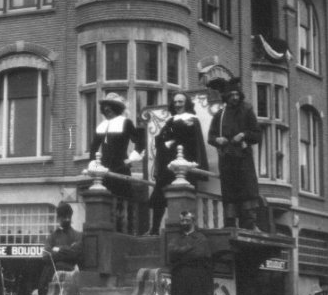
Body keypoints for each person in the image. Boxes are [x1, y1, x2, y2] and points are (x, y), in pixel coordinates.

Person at [207, 78, 262, 230]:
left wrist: (243, 135)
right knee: (229, 192)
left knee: (247, 189)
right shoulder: (220, 114)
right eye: (231, 95)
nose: (235, 97)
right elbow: (210, 137)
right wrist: (218, 139)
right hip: (227, 160)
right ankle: (230, 224)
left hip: (244, 159)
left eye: (237, 94)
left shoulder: (247, 110)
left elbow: (257, 135)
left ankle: (249, 224)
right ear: (227, 97)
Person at [150, 92, 208, 234]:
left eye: (180, 102)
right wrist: (166, 142)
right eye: (175, 102)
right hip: (168, 164)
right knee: (159, 196)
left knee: (183, 197)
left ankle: (184, 231)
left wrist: (174, 141)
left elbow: (193, 143)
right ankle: (154, 229)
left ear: (186, 103)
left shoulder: (192, 120)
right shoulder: (171, 120)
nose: (177, 105)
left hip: (184, 163)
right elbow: (161, 138)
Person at [88, 93, 141, 231]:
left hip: (120, 167)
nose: (106, 110)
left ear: (115, 108)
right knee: (107, 201)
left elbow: (140, 142)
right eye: (104, 107)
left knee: (123, 200)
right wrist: (93, 163)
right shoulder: (102, 125)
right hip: (105, 170)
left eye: (109, 107)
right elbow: (94, 147)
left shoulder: (125, 122)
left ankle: (125, 231)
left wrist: (131, 159)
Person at [37, 202, 83, 295]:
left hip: (69, 276)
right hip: (51, 276)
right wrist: (68, 249)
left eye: (68, 216)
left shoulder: (78, 235)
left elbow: (75, 254)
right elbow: (45, 256)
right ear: (59, 218)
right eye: (64, 217)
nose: (66, 219)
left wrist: (58, 249)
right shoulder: (53, 236)